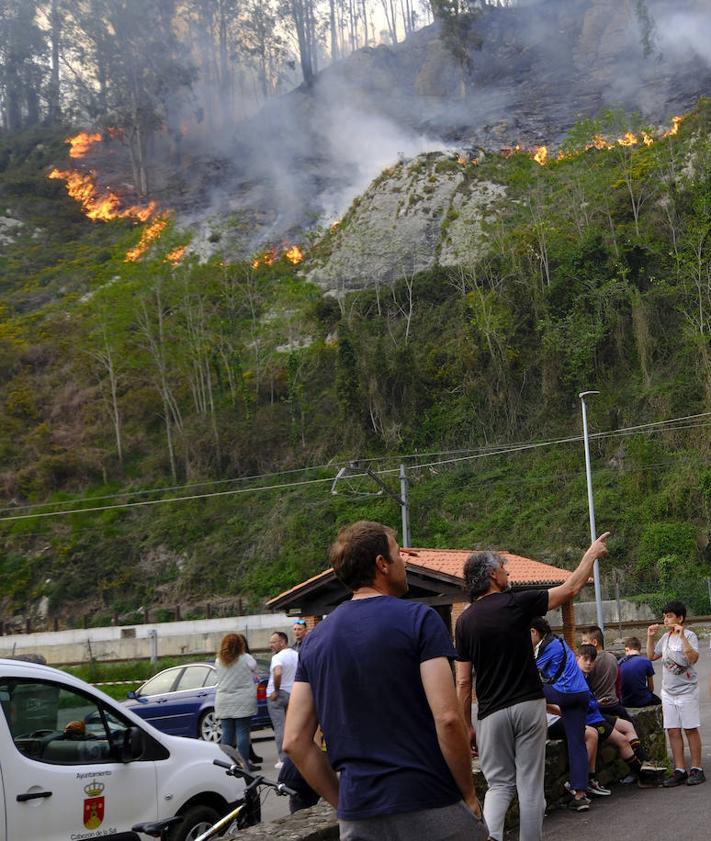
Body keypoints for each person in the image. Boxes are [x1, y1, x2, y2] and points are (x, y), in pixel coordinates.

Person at [283, 520, 487, 841]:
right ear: (382, 564)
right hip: (429, 799)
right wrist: (469, 795)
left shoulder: (313, 640)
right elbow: (448, 719)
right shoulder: (419, 620)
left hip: (359, 814)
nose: (404, 562)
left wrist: (343, 804)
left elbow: (294, 740)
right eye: (398, 554)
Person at [455, 532, 610, 841]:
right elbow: (572, 587)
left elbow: (462, 681)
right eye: (503, 568)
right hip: (528, 705)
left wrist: (465, 725)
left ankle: (492, 837)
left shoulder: (464, 622)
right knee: (529, 786)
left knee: (499, 785)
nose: (508, 572)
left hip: (489, 713)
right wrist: (590, 555)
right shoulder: (518, 603)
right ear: (491, 575)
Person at [530, 616, 591, 810]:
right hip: (581, 694)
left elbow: (527, 671)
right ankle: (580, 794)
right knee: (576, 742)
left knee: (526, 689)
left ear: (534, 632)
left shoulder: (548, 647)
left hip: (564, 694)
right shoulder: (559, 642)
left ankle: (531, 727)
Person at [647, 600, 705, 786]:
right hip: (668, 692)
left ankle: (696, 768)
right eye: (664, 616)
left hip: (687, 690)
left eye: (670, 615)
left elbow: (693, 658)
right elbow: (651, 656)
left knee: (690, 729)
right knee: (672, 730)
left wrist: (683, 638)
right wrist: (650, 637)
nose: (666, 619)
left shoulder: (689, 635)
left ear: (680, 618)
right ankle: (679, 769)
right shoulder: (665, 638)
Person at [577, 645, 654, 785]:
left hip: (595, 714)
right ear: (578, 658)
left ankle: (644, 760)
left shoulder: (584, 675)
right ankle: (642, 776)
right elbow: (579, 703)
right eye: (585, 659)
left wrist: (596, 702)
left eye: (592, 661)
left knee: (627, 725)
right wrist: (596, 703)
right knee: (622, 741)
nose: (589, 663)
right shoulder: (576, 677)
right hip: (590, 719)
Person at [214, 633, 259, 770]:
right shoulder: (246, 658)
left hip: (223, 700)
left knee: (227, 732)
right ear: (241, 645)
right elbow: (254, 669)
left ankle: (227, 763)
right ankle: (244, 764)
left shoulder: (218, 661)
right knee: (242, 732)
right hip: (243, 699)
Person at [580, 626, 630, 721]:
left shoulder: (587, 663)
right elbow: (618, 682)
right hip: (614, 704)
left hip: (597, 706)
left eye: (585, 641)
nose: (582, 644)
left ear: (594, 642)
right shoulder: (613, 658)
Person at [267, 630, 299, 768]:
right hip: (293, 693)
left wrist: (276, 690)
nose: (271, 645)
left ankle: (283, 760)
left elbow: (278, 672)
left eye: (273, 642)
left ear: (282, 642)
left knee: (280, 727)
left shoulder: (277, 657)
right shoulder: (297, 655)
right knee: (293, 727)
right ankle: (296, 756)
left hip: (278, 696)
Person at [618, 636, 660, 708]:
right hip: (643, 700)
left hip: (625, 701)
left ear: (626, 649)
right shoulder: (646, 661)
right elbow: (651, 688)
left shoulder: (619, 663)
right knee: (659, 702)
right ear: (639, 650)